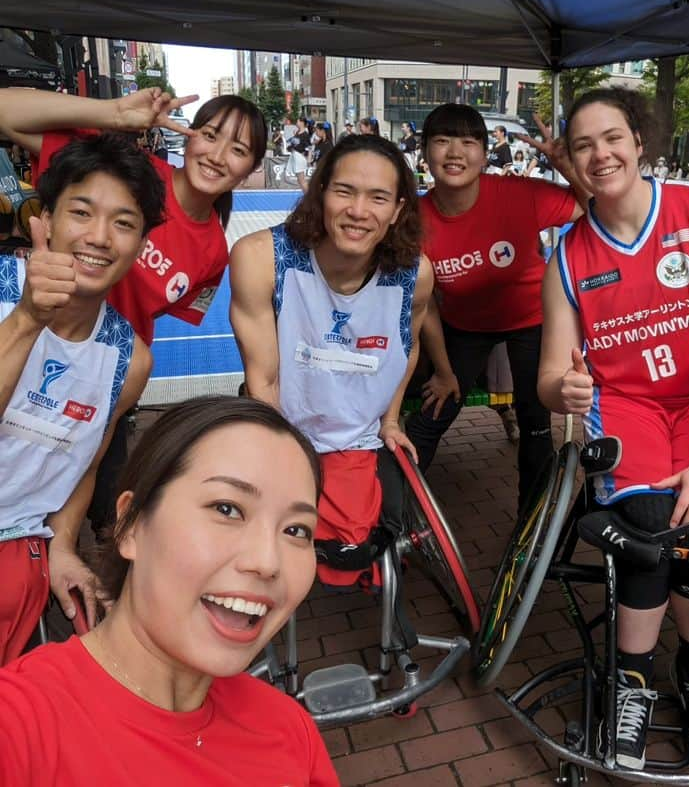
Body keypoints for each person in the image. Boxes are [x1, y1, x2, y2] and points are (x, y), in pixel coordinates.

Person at [539, 88, 689, 769]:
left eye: (612, 137)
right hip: (629, 406)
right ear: (571, 161)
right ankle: (629, 682)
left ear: (639, 140)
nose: (599, 154)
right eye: (582, 146)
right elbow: (550, 377)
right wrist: (565, 388)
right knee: (650, 528)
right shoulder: (568, 256)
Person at [0, 396, 338, 785]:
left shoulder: (290, 729)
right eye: (227, 508)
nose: (268, 562)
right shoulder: (22, 729)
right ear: (131, 525)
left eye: (296, 530)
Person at [0, 87, 267, 548]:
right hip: (33, 340)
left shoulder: (213, 255)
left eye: (239, 150)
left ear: (252, 167)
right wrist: (114, 113)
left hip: (104, 383)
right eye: (209, 135)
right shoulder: (123, 178)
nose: (219, 155)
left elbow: (154, 315)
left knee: (105, 513)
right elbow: (6, 111)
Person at [230, 134, 432, 589]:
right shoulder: (261, 258)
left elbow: (407, 346)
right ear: (320, 193)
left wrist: (392, 421)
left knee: (355, 554)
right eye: (344, 191)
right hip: (285, 425)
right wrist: (285, 458)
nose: (359, 211)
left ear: (398, 209)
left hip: (357, 436)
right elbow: (261, 378)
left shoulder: (414, 275)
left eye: (378, 197)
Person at [0, 134, 161, 662]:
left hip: (18, 557)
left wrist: (63, 543)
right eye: (82, 213)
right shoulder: (4, 293)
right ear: (44, 220)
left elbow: (83, 460)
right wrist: (27, 320)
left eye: (123, 223)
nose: (99, 238)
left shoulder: (128, 360)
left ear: (140, 245)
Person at [403, 103, 583, 511]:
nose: (455, 152)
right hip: (464, 327)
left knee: (536, 424)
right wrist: (445, 372)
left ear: (485, 154)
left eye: (468, 142)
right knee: (431, 418)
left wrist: (567, 165)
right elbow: (423, 301)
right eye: (442, 140)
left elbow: (595, 209)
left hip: (533, 323)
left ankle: (530, 529)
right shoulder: (414, 219)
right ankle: (393, 521)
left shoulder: (520, 195)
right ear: (425, 151)